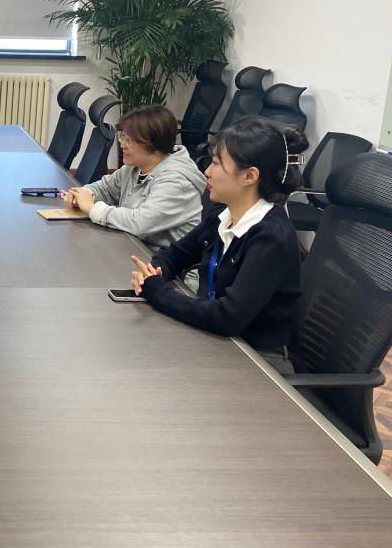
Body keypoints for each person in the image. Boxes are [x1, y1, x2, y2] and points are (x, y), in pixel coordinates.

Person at [130, 116, 308, 360]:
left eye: (216, 164)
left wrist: (158, 294)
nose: (207, 172)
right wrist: (153, 273)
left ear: (249, 176)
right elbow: (176, 254)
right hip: (219, 340)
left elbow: (227, 317)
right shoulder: (222, 215)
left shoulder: (271, 237)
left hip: (258, 358)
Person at [65, 104, 206, 250]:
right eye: (123, 136)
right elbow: (106, 188)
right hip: (131, 246)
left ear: (154, 143)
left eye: (130, 140)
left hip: (159, 260)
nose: (122, 144)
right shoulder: (135, 167)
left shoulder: (177, 181)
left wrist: (92, 208)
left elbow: (140, 223)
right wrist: (84, 194)